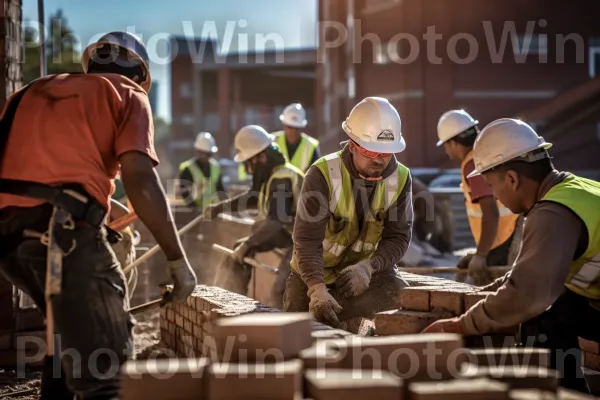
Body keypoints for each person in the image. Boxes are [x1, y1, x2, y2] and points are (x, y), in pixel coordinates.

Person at [0, 31, 197, 399]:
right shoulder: (126, 93)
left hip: (10, 237)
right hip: (61, 233)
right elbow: (140, 177)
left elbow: (40, 173)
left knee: (67, 331)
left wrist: (100, 207)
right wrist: (177, 260)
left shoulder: (30, 92)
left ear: (90, 64)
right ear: (140, 74)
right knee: (109, 370)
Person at [423, 118, 600, 394]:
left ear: (512, 179)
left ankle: (562, 394)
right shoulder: (573, 190)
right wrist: (482, 296)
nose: (493, 196)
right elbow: (528, 274)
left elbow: (526, 295)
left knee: (539, 313)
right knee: (552, 306)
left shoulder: (553, 214)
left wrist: (459, 326)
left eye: (491, 187)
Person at [283, 96, 413, 331]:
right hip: (313, 274)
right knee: (296, 332)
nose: (380, 159)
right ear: (352, 145)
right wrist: (316, 288)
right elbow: (307, 240)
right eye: (371, 151)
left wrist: (369, 267)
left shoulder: (401, 178)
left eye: (386, 153)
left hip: (365, 275)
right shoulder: (322, 174)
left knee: (401, 296)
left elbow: (398, 237)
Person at [205, 125, 304, 308]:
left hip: (309, 239)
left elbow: (275, 221)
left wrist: (248, 243)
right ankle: (230, 304)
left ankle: (289, 331)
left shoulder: (282, 178)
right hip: (291, 233)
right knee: (237, 251)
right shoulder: (270, 175)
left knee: (282, 290)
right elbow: (252, 197)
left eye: (249, 163)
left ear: (262, 157)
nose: (248, 170)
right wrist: (220, 207)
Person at [436, 110, 522, 284]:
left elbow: (490, 212)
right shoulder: (488, 154)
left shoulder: (473, 164)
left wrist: (481, 255)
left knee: (499, 294)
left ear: (453, 143)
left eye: (446, 146)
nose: (446, 151)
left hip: (506, 238)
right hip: (508, 234)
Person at [177, 132, 227, 210]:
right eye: (205, 153)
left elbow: (220, 189)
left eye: (209, 154)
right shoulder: (187, 169)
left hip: (212, 211)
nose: (207, 156)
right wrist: (195, 209)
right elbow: (184, 193)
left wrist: (225, 205)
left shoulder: (216, 167)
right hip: (193, 212)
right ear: (198, 151)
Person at [272, 103, 320, 172]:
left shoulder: (310, 146)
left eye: (297, 128)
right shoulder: (272, 141)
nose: (293, 131)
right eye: (290, 127)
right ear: (284, 125)